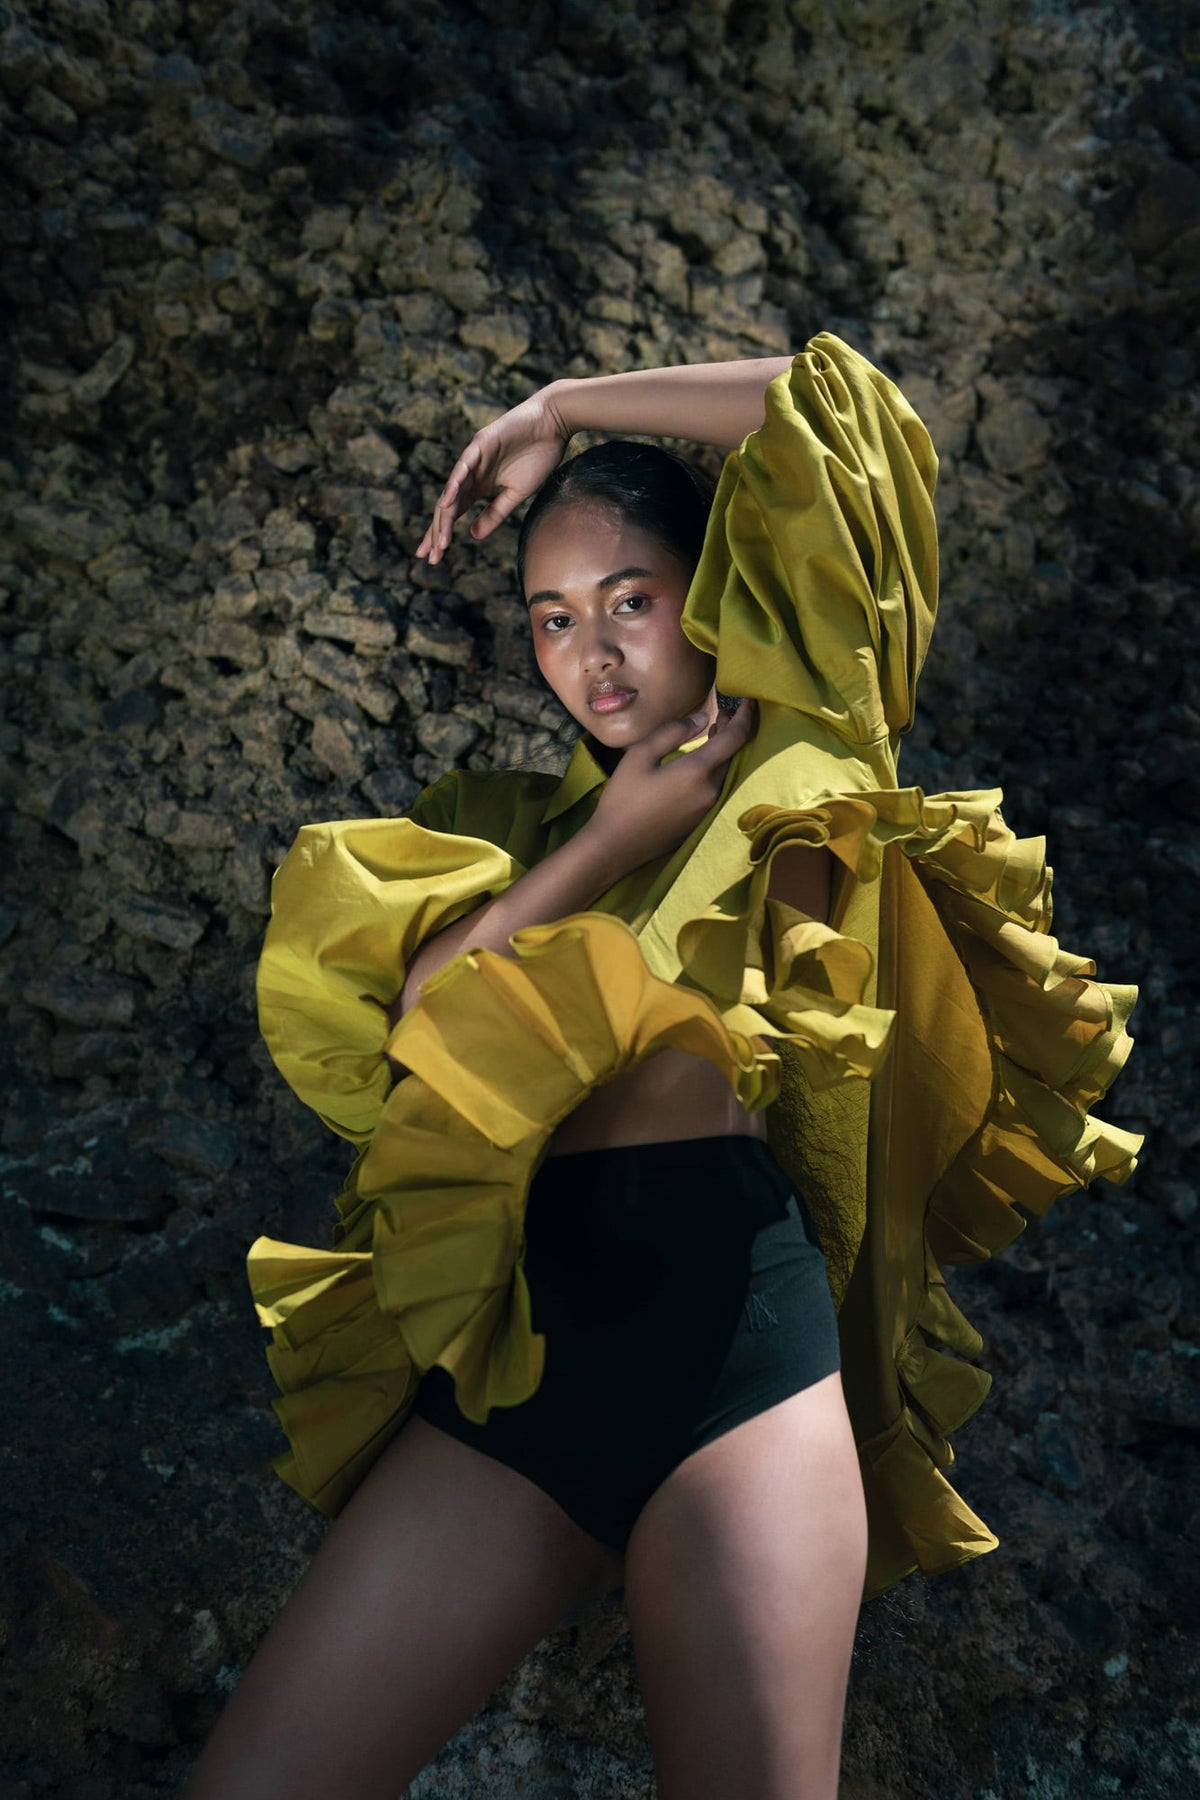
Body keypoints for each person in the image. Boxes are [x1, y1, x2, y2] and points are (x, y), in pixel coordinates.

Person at [182, 336, 1142, 1800]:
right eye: (553, 619)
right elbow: (417, 1024)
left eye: (631, 600)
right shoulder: (527, 833)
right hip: (533, 1361)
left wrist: (559, 407)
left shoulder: (799, 736)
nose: (594, 653)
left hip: (740, 1357)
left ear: (710, 592)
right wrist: (611, 840)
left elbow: (837, 408)